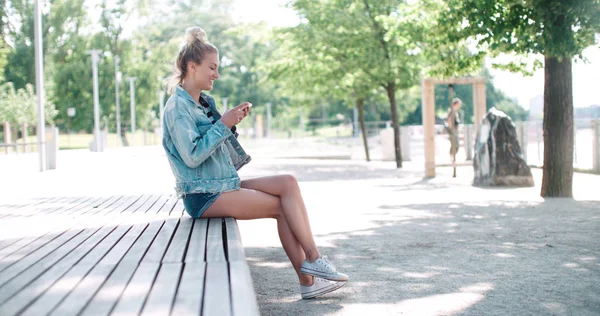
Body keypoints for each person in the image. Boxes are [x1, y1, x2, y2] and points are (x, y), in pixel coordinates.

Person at [162, 26, 348, 300]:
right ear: (192, 67)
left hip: (220, 184)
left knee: (287, 183)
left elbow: (215, 146)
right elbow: (192, 156)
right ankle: (310, 274)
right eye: (212, 67)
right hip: (203, 195)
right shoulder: (178, 108)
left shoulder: (203, 102)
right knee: (282, 208)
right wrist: (223, 124)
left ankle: (312, 266)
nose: (217, 74)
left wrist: (230, 122)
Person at [446, 97, 462, 177]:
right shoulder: (452, 111)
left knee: (455, 145)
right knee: (455, 145)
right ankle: (452, 158)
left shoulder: (453, 111)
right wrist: (452, 130)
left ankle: (452, 158)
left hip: (454, 131)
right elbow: (449, 120)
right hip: (453, 131)